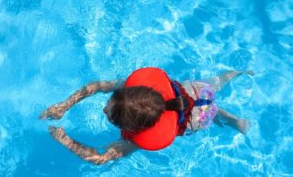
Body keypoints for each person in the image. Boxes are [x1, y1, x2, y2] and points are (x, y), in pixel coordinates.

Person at [39, 67, 254, 165]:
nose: (104, 110)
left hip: (197, 120)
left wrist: (65, 140)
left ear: (133, 128)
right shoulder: (132, 92)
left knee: (211, 111)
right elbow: (97, 86)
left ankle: (233, 118)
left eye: (112, 118)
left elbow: (100, 158)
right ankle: (238, 74)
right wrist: (64, 106)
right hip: (196, 93)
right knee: (216, 84)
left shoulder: (136, 140)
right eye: (111, 102)